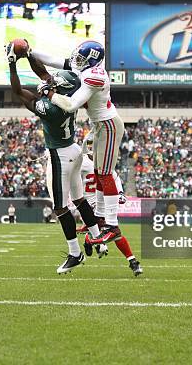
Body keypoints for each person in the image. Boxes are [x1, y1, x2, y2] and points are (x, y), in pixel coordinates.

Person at [6, 41, 108, 274]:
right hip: (74, 149)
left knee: (61, 208)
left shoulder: (51, 108)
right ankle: (98, 239)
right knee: (80, 200)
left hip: (60, 154)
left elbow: (19, 92)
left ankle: (75, 253)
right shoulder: (68, 94)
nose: (51, 81)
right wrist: (28, 54)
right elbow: (43, 74)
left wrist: (12, 64)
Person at [27, 40, 125, 246]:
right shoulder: (85, 69)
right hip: (100, 125)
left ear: (92, 61)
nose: (76, 62)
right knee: (100, 173)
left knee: (105, 174)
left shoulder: (94, 76)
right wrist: (30, 51)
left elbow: (71, 105)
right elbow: (55, 61)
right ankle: (99, 216)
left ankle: (112, 225)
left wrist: (49, 93)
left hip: (108, 125)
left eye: (81, 59)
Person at [75, 134, 142, 276]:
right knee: (113, 231)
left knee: (113, 231)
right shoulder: (82, 162)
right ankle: (132, 261)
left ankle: (90, 239)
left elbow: (114, 178)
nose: (93, 147)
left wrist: (121, 193)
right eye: (91, 144)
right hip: (88, 203)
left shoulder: (104, 162)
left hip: (104, 201)